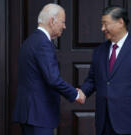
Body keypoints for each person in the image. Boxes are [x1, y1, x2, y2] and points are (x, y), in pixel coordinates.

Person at [81, 7, 131, 135]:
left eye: (105, 24)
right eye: (102, 24)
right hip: (104, 121)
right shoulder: (99, 51)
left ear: (120, 22)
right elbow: (92, 79)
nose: (102, 29)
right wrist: (81, 92)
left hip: (130, 120)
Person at [13, 3, 85, 135]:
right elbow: (53, 79)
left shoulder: (30, 41)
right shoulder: (43, 44)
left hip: (30, 114)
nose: (64, 26)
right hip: (38, 115)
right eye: (62, 22)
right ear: (52, 21)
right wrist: (75, 94)